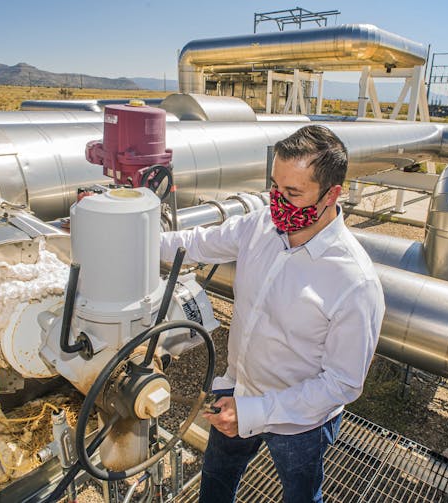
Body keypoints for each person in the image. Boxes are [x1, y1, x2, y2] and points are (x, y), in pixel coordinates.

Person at [160, 125, 385, 503]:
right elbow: (195, 243)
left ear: (332, 194)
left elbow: (343, 383)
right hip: (238, 388)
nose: (278, 201)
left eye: (293, 193)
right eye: (275, 187)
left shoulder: (354, 284)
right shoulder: (260, 226)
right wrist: (128, 239)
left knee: (301, 495)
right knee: (216, 479)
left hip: (300, 422)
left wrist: (254, 413)